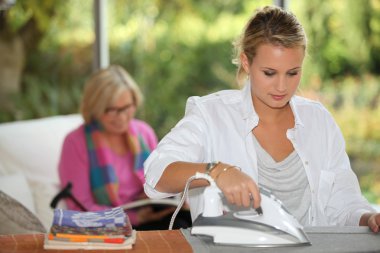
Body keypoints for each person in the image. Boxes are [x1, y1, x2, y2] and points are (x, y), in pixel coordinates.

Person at [144, 6, 380, 232]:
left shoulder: (319, 122)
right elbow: (155, 177)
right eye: (269, 73)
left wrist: (369, 218)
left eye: (292, 73)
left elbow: (344, 204)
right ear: (246, 62)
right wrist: (216, 172)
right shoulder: (211, 114)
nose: (281, 86)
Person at [58, 65, 191, 230]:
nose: (121, 117)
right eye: (111, 110)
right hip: (111, 227)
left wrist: (174, 197)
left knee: (192, 223)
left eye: (127, 107)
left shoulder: (144, 132)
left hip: (155, 216)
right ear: (94, 108)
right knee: (180, 228)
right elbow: (79, 209)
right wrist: (134, 217)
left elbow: (161, 180)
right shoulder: (75, 142)